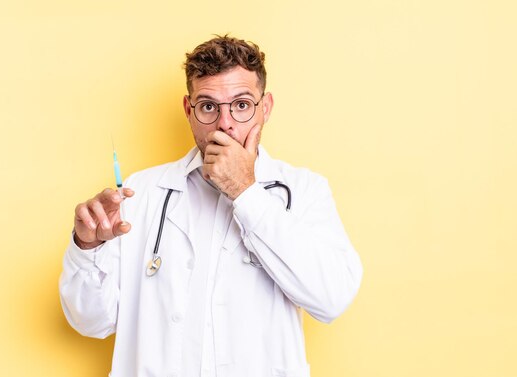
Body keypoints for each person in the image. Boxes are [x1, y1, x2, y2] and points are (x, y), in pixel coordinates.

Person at [59, 35, 363, 377]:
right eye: (208, 107)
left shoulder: (304, 190)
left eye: (242, 105)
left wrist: (246, 191)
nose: (225, 124)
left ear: (266, 108)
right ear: (188, 111)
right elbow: (91, 321)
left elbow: (332, 298)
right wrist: (87, 247)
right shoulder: (138, 193)